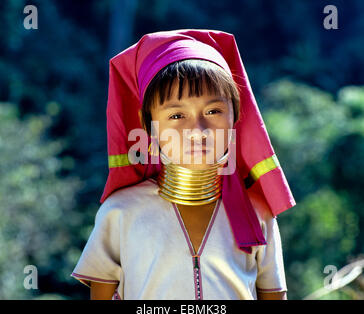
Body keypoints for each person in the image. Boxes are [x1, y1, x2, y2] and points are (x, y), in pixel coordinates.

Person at [70, 29, 296, 300]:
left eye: (213, 111)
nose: (197, 129)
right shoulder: (120, 212)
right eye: (177, 115)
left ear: (236, 114)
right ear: (148, 124)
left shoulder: (258, 213)